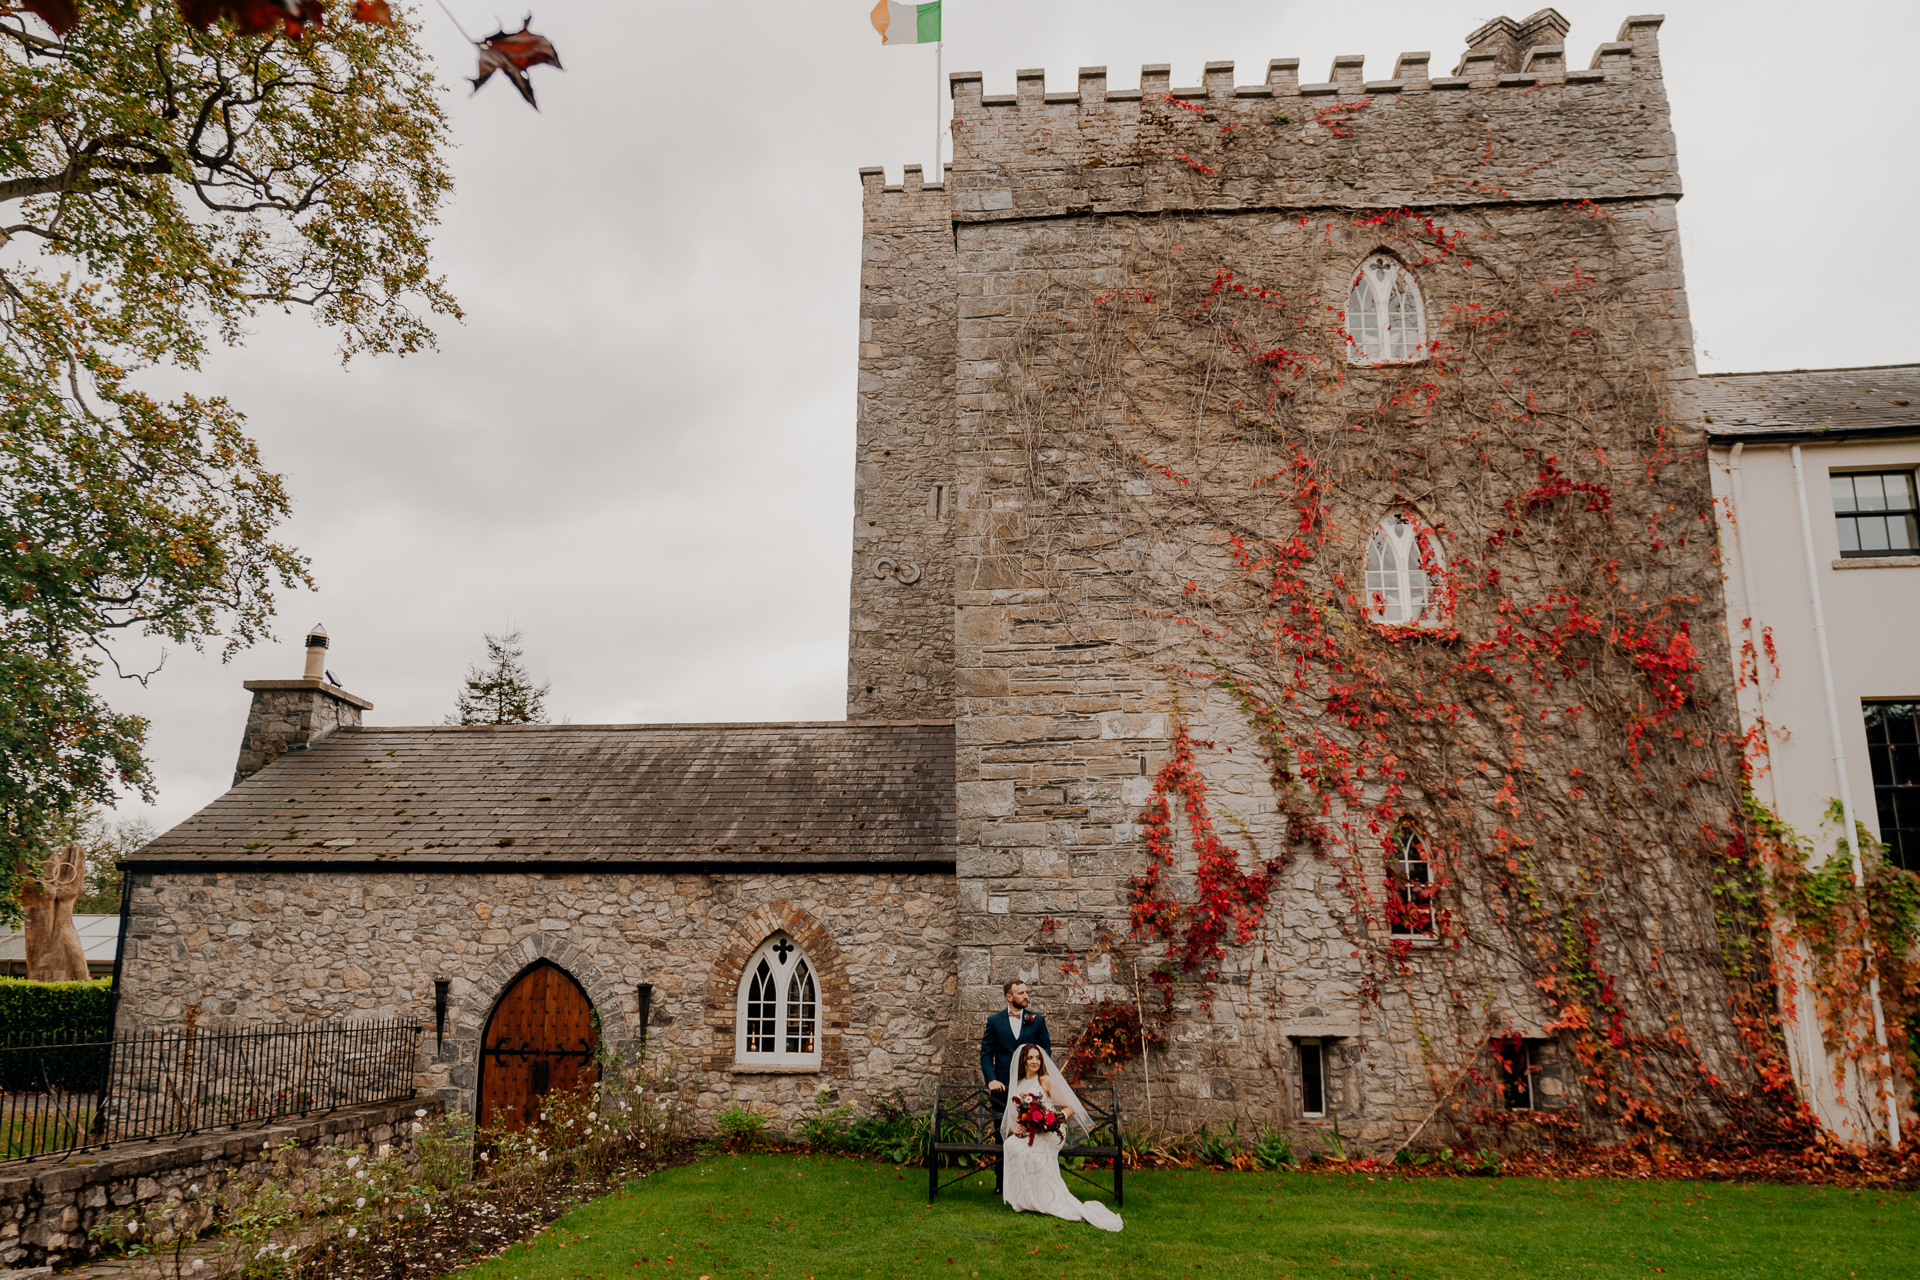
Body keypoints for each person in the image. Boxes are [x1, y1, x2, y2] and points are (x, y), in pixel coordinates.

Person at [1000, 1044, 1123, 1231]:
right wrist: (1013, 1127)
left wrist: (1054, 1120)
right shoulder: (1018, 1085)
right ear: (1023, 1061)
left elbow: (1070, 1107)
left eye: (1038, 1058)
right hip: (1029, 1131)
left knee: (1030, 1152)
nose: (1035, 1061)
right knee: (1010, 1144)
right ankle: (1026, 1198)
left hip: (1051, 1131)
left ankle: (1045, 1198)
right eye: (1030, 1058)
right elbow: (1011, 1114)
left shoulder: (1046, 1081)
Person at [980, 979, 1050, 1096]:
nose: (1026, 996)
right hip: (1002, 1087)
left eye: (1026, 992)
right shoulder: (994, 1021)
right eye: (1021, 993)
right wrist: (991, 1080)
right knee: (1000, 1114)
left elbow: (1045, 1050)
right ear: (1009, 997)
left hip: (1032, 1086)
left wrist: (1042, 1076)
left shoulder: (1037, 1021)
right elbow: (986, 1053)